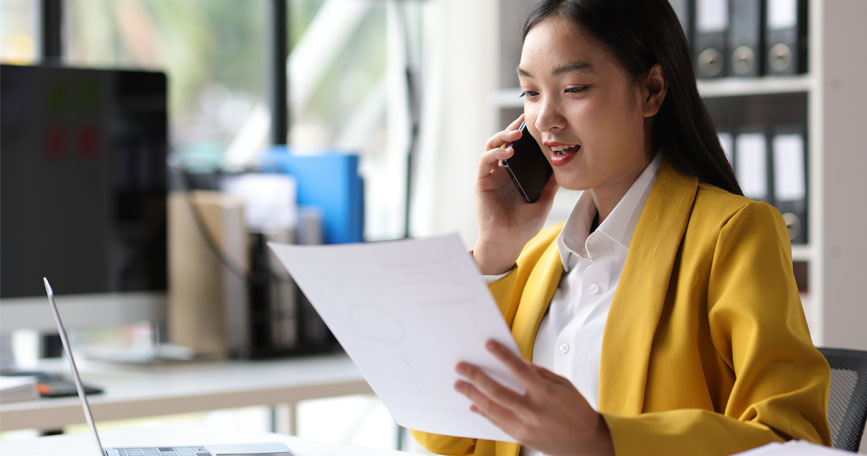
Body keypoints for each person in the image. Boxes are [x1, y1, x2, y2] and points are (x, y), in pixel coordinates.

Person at [411, 0, 831, 455]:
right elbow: (445, 436)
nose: (545, 120)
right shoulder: (529, 260)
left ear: (651, 90)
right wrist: (494, 248)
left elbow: (793, 440)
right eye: (530, 93)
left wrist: (602, 439)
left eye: (573, 88)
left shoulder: (733, 235)